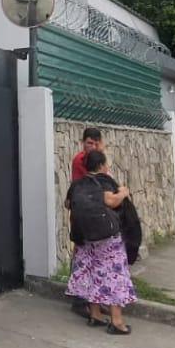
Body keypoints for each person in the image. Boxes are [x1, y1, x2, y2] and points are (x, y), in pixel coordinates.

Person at [65, 149, 137, 334]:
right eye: (106, 164)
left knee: (91, 273)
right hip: (107, 238)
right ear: (102, 165)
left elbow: (67, 204)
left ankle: (95, 315)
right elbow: (112, 201)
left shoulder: (77, 184)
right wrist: (123, 192)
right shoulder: (105, 181)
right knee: (114, 275)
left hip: (85, 236)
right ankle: (117, 322)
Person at [68, 127, 105, 316]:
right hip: (82, 214)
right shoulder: (81, 161)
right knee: (81, 255)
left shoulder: (98, 159)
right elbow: (99, 179)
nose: (92, 146)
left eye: (96, 143)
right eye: (89, 143)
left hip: (94, 215)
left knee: (93, 256)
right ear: (83, 142)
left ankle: (93, 299)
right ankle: (78, 299)